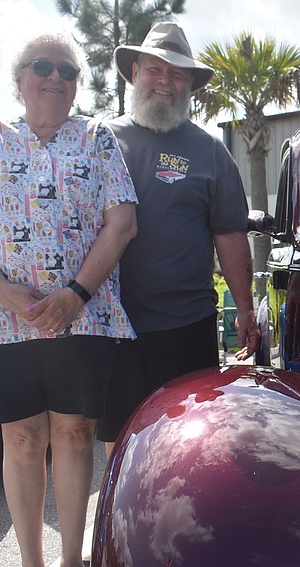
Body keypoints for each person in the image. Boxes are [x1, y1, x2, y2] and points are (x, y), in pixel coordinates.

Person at [0, 32, 138, 567]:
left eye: (68, 71)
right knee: (24, 439)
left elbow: (122, 223)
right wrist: (4, 292)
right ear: (19, 79)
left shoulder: (97, 139)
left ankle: (71, 560)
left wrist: (75, 294)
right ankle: (32, 561)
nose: (55, 77)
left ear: (77, 85)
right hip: (2, 321)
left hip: (82, 318)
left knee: (74, 435)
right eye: (43, 66)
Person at [96, 22, 259, 453]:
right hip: (113, 324)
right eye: (155, 69)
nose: (165, 81)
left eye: (177, 74)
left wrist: (245, 308)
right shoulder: (101, 141)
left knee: (188, 442)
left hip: (187, 325)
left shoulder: (211, 151)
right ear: (135, 73)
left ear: (189, 85)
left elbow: (230, 234)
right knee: (120, 444)